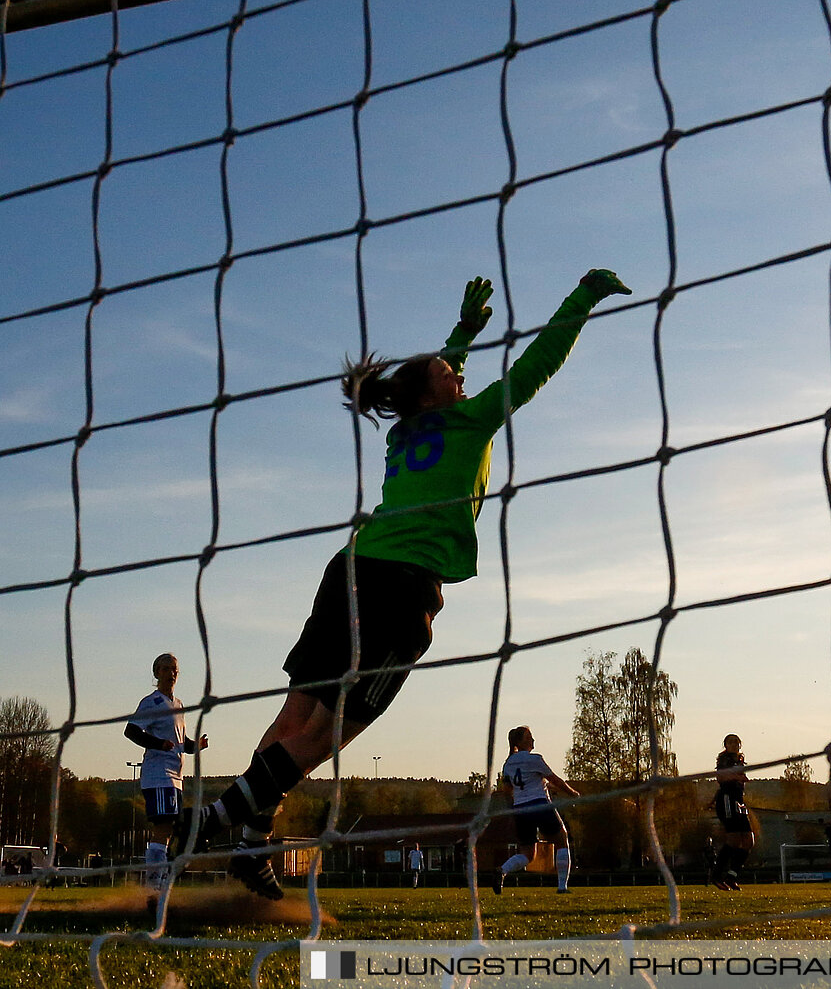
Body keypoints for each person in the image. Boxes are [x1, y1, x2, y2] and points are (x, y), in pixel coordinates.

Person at [186, 269, 631, 899]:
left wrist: (463, 334)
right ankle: (215, 820)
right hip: (403, 591)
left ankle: (249, 842)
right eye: (452, 377)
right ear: (435, 396)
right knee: (323, 739)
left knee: (294, 718)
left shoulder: (404, 431)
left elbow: (431, 375)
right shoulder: (470, 421)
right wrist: (581, 297)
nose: (461, 377)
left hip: (350, 569)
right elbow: (536, 366)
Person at [124, 653, 208, 891]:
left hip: (176, 776)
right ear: (156, 672)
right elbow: (131, 731)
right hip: (158, 773)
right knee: (163, 825)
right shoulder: (152, 702)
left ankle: (159, 878)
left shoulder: (178, 704)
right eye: (166, 669)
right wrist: (157, 743)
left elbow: (179, 742)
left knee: (170, 827)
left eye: (175, 670)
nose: (172, 674)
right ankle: (154, 883)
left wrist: (195, 746)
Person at [492, 726, 578, 894]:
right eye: (529, 737)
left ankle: (502, 870)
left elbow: (507, 791)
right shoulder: (535, 759)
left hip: (520, 809)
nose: (533, 739)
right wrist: (573, 793)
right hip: (539, 804)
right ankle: (562, 887)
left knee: (528, 854)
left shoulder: (508, 764)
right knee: (562, 839)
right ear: (520, 742)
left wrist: (512, 811)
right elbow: (556, 780)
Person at [711, 735, 754, 890]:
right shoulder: (725, 760)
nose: (734, 744)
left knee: (749, 840)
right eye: (730, 742)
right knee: (734, 839)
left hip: (738, 801)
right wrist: (737, 776)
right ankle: (716, 876)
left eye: (736, 742)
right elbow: (721, 778)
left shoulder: (739, 761)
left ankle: (731, 876)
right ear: (725, 745)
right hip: (727, 800)